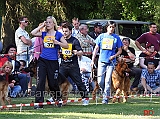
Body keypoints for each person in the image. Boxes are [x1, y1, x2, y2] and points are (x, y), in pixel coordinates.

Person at [31, 16, 68, 109]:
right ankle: (39, 103)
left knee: (52, 83)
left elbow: (66, 45)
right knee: (40, 81)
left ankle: (58, 99)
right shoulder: (44, 33)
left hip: (53, 61)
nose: (47, 24)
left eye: (49, 22)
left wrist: (58, 43)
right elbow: (33, 33)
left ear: (53, 24)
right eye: (46, 22)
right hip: (43, 60)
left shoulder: (58, 34)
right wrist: (41, 26)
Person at [91, 21, 123, 104]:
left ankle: (105, 97)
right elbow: (96, 48)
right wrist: (92, 60)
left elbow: (120, 50)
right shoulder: (101, 36)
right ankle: (105, 92)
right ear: (107, 27)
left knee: (108, 80)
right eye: (110, 27)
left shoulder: (116, 38)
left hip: (111, 62)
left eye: (113, 27)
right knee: (100, 80)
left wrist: (114, 56)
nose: (111, 29)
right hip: (101, 61)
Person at [59, 23, 89, 105]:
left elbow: (81, 52)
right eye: (63, 31)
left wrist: (76, 52)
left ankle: (85, 98)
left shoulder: (74, 40)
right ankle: (56, 98)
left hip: (73, 65)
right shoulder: (61, 40)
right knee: (57, 81)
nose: (64, 33)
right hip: (63, 65)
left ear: (70, 31)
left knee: (79, 82)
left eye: (66, 31)